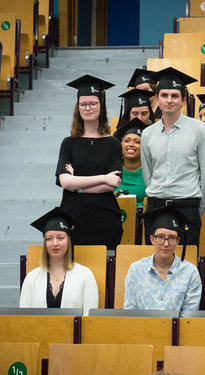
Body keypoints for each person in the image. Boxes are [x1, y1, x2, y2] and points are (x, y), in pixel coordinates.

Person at [141, 67, 205, 245]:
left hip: (187, 208)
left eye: (175, 96)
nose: (169, 100)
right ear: (157, 98)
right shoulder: (147, 134)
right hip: (155, 207)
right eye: (164, 95)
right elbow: (148, 174)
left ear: (183, 100)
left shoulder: (200, 130)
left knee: (186, 264)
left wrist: (197, 208)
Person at [57, 75, 123, 250]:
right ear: (77, 107)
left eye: (93, 103)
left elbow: (112, 184)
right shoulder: (68, 143)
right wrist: (103, 177)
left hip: (105, 219)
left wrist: (77, 184)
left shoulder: (114, 144)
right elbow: (65, 181)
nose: (88, 108)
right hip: (72, 217)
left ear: (101, 106)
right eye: (83, 104)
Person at [20, 207, 98, 316]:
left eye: (60, 238)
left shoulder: (85, 275)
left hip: (75, 332)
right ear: (45, 243)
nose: (55, 243)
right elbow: (24, 318)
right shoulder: (31, 277)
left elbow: (89, 317)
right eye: (49, 238)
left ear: (69, 241)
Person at [124, 206, 201, 315]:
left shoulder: (190, 272)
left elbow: (189, 318)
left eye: (172, 238)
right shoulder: (136, 270)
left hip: (177, 331)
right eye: (160, 237)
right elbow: (130, 313)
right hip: (141, 330)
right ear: (152, 239)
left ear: (178, 241)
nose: (166, 243)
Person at [113, 117, 147, 207]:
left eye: (137, 142)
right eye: (127, 141)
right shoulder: (111, 169)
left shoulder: (150, 172)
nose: (131, 145)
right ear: (121, 144)